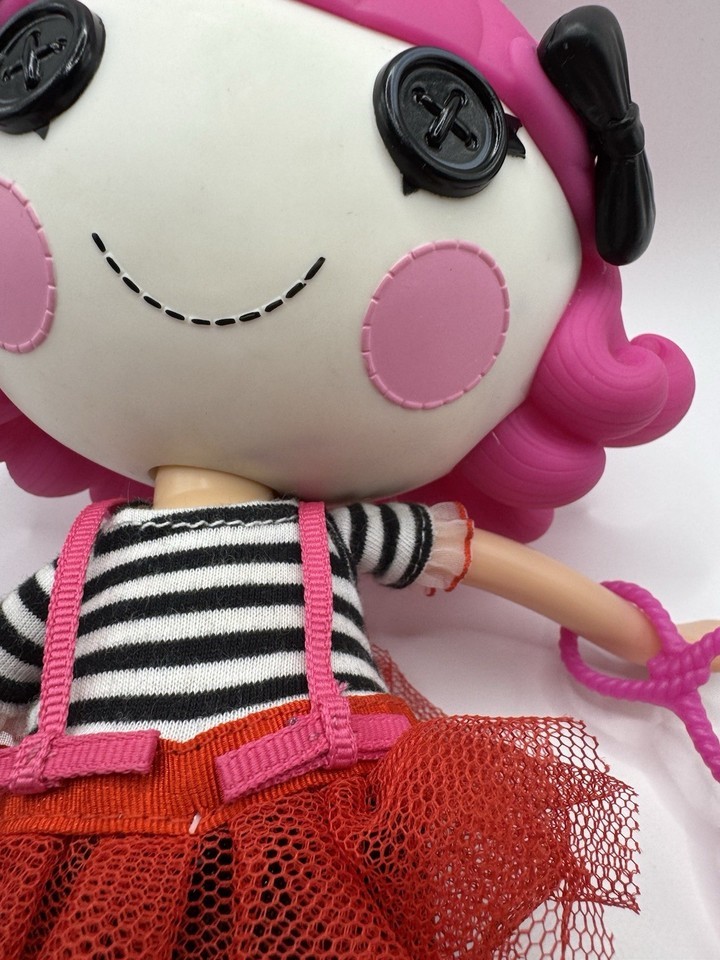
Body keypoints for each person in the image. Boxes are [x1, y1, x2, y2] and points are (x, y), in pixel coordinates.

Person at [0, 1, 715, 956]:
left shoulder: (306, 534)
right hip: (95, 829)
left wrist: (649, 640)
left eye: (435, 139)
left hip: (309, 810)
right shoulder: (80, 569)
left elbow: (479, 561)